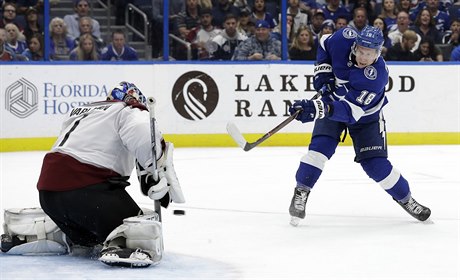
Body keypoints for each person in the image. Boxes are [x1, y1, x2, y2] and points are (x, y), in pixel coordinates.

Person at [287, 26, 431, 226]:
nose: (363, 57)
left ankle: (407, 199)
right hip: (332, 102)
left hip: (365, 118)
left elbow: (348, 111)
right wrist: (323, 72)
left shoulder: (376, 76)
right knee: (318, 151)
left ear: (378, 53)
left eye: (369, 54)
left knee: (376, 167)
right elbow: (323, 44)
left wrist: (316, 108)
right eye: (361, 51)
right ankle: (301, 191)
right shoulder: (343, 39)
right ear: (355, 45)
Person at [35, 82, 185, 267]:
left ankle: (65, 236)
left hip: (48, 195)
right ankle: (119, 244)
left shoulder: (81, 110)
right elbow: (143, 132)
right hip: (87, 191)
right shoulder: (127, 109)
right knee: (141, 227)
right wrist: (155, 166)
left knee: (89, 238)